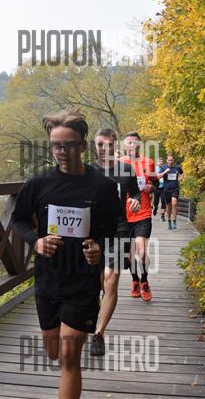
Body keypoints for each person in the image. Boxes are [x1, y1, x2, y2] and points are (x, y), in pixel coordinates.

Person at [11, 109, 121, 399]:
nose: (61, 151)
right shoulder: (38, 184)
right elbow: (18, 220)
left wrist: (99, 247)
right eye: (55, 145)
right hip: (47, 280)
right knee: (53, 352)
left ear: (82, 146)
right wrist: (36, 242)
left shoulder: (103, 186)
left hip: (82, 281)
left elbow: (112, 228)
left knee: (69, 359)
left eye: (68, 145)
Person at [89, 128, 141, 356]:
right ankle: (97, 308)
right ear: (94, 146)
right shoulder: (86, 172)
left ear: (115, 145)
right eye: (101, 144)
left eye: (110, 145)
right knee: (100, 282)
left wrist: (135, 202)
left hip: (119, 228)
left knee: (111, 280)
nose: (105, 149)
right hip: (91, 232)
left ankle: (98, 334)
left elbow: (136, 193)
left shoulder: (126, 170)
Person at [120, 132, 157, 302]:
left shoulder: (148, 162)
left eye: (135, 142)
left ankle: (144, 281)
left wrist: (151, 187)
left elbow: (154, 182)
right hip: (124, 215)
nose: (132, 145)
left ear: (139, 145)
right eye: (128, 142)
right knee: (128, 254)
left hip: (143, 212)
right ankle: (135, 280)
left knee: (141, 251)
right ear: (124, 145)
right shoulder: (119, 163)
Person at [162, 155, 184, 230]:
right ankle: (169, 220)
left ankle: (174, 221)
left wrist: (180, 179)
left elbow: (182, 173)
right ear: (167, 160)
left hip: (175, 189)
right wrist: (165, 172)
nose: (170, 161)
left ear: (173, 161)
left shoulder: (177, 167)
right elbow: (158, 176)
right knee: (168, 206)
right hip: (166, 189)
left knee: (174, 203)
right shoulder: (164, 167)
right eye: (169, 160)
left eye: (171, 160)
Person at [153, 156, 168, 221]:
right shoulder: (154, 169)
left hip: (163, 187)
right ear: (157, 162)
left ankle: (162, 216)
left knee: (163, 201)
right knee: (156, 201)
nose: (160, 162)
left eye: (161, 161)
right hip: (157, 187)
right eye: (159, 161)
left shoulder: (165, 168)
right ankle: (155, 207)